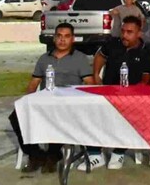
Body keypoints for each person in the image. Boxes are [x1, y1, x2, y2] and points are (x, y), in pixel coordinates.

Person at [9, 23, 94, 173]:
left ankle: (53, 155)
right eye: (59, 36)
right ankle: (36, 155)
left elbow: (89, 83)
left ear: (72, 39)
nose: (62, 40)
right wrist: (27, 103)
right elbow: (34, 83)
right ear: (54, 38)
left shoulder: (80, 58)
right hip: (45, 101)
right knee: (16, 116)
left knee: (58, 117)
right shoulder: (44, 59)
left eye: (67, 36)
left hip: (68, 103)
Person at [83, 16, 150, 171]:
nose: (124, 35)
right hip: (107, 92)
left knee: (129, 114)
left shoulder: (147, 52)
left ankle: (119, 151)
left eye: (129, 32)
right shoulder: (113, 44)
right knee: (88, 110)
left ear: (138, 33)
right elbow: (100, 56)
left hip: (131, 96)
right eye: (123, 31)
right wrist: (96, 75)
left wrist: (133, 94)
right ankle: (95, 153)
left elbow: (146, 79)